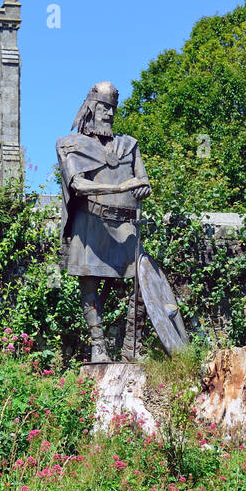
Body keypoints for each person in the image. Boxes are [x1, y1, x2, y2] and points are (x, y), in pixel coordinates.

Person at [56, 81, 151, 362]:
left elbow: (142, 181)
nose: (108, 114)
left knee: (141, 286)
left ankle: (131, 347)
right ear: (90, 108)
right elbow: (78, 186)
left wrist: (142, 187)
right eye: (103, 107)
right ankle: (98, 346)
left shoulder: (128, 145)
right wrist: (120, 188)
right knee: (90, 287)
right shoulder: (71, 145)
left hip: (125, 228)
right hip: (91, 226)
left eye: (112, 109)